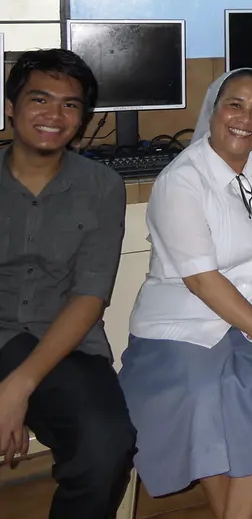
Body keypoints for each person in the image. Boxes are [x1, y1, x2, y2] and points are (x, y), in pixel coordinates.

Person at [118, 68, 252, 518]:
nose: (245, 118)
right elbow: (202, 281)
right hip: (183, 323)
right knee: (199, 396)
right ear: (214, 109)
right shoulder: (181, 181)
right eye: (235, 104)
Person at [0, 49, 135, 518]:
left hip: (62, 343)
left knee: (108, 443)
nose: (54, 115)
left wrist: (18, 386)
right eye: (40, 99)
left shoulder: (102, 187)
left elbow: (90, 296)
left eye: (70, 105)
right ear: (11, 106)